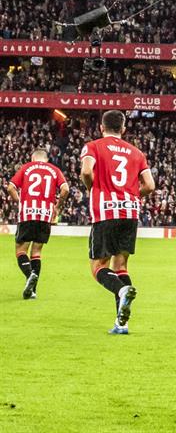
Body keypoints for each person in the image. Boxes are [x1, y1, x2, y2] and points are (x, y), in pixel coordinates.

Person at [80, 110, 155, 334]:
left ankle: (122, 292)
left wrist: (92, 188)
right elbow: (150, 186)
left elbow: (86, 170)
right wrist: (131, 197)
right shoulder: (137, 153)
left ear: (101, 127)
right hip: (130, 213)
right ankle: (122, 323)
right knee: (121, 266)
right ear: (123, 129)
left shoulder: (93, 146)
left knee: (98, 267)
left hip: (105, 212)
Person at [7, 148, 69, 300]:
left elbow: (10, 187)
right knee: (36, 252)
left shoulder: (27, 167)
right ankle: (32, 291)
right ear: (46, 159)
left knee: (20, 250)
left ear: (33, 158)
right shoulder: (54, 170)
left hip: (28, 212)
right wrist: (58, 206)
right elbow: (65, 189)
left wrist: (20, 202)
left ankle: (30, 275)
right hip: (45, 214)